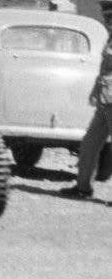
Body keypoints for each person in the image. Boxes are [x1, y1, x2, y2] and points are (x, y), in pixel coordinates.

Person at [60, 29, 112, 199]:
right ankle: (83, 187)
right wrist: (95, 90)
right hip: (105, 100)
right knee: (89, 145)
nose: (108, 20)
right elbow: (105, 69)